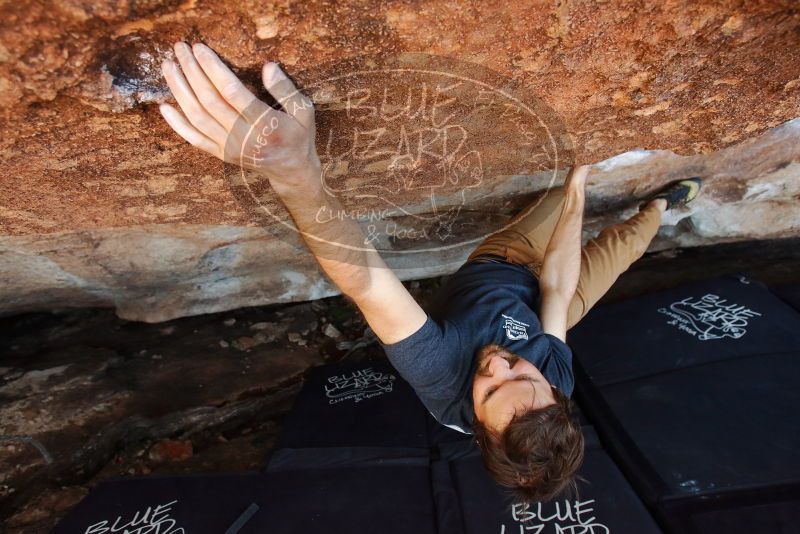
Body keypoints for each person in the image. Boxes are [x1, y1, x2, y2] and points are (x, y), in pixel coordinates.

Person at [158, 41, 702, 503]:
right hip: (545, 295)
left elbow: (368, 284)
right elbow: (559, 290)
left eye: (491, 390)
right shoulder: (551, 385)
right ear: (554, 395)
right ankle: (659, 208)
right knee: (618, 240)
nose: (500, 366)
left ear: (478, 427)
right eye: (523, 375)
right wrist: (577, 192)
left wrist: (295, 172)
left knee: (575, 214)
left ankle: (630, 208)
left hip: (500, 261)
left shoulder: (440, 378)